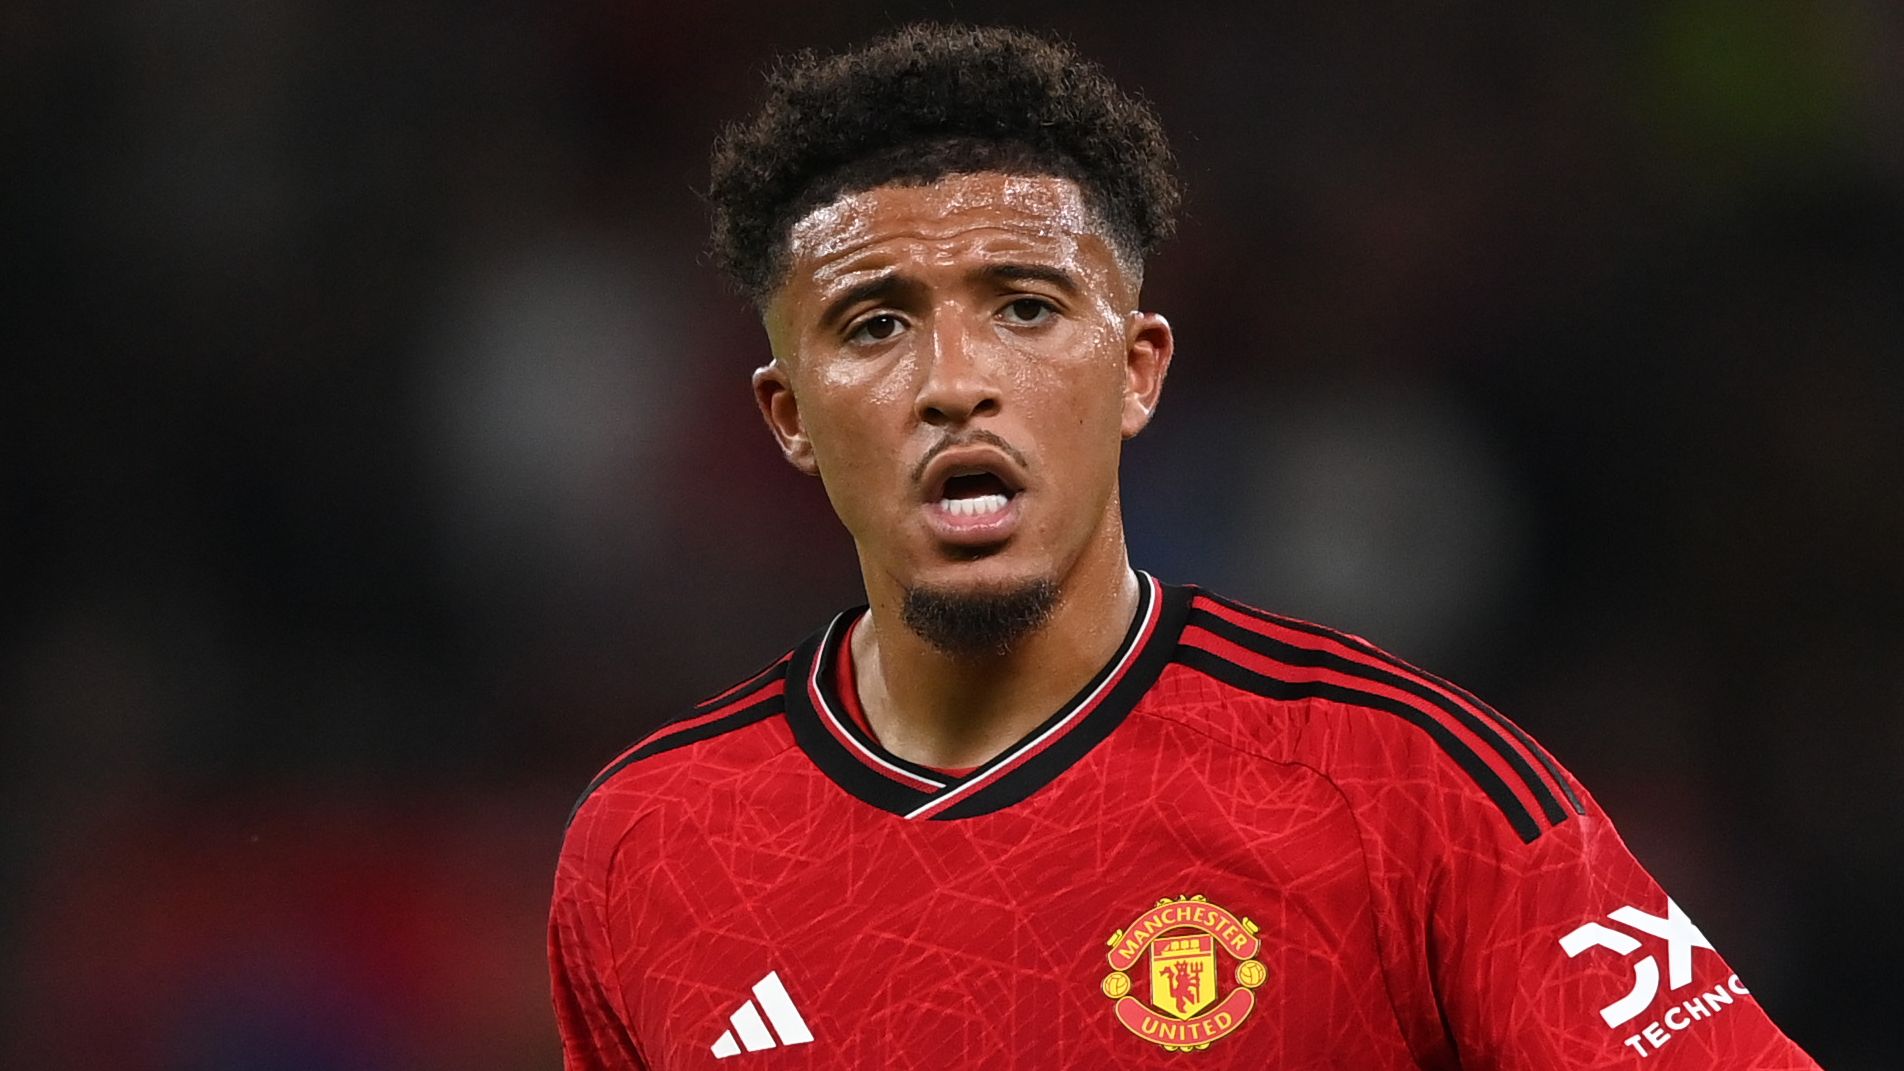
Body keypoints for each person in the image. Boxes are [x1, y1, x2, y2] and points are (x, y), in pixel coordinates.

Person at [549, 23, 1818, 1069]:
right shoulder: (649, 849)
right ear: (788, 416)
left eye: (1025, 307)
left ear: (1137, 370)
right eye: (875, 324)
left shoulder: (1404, 790)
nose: (952, 382)